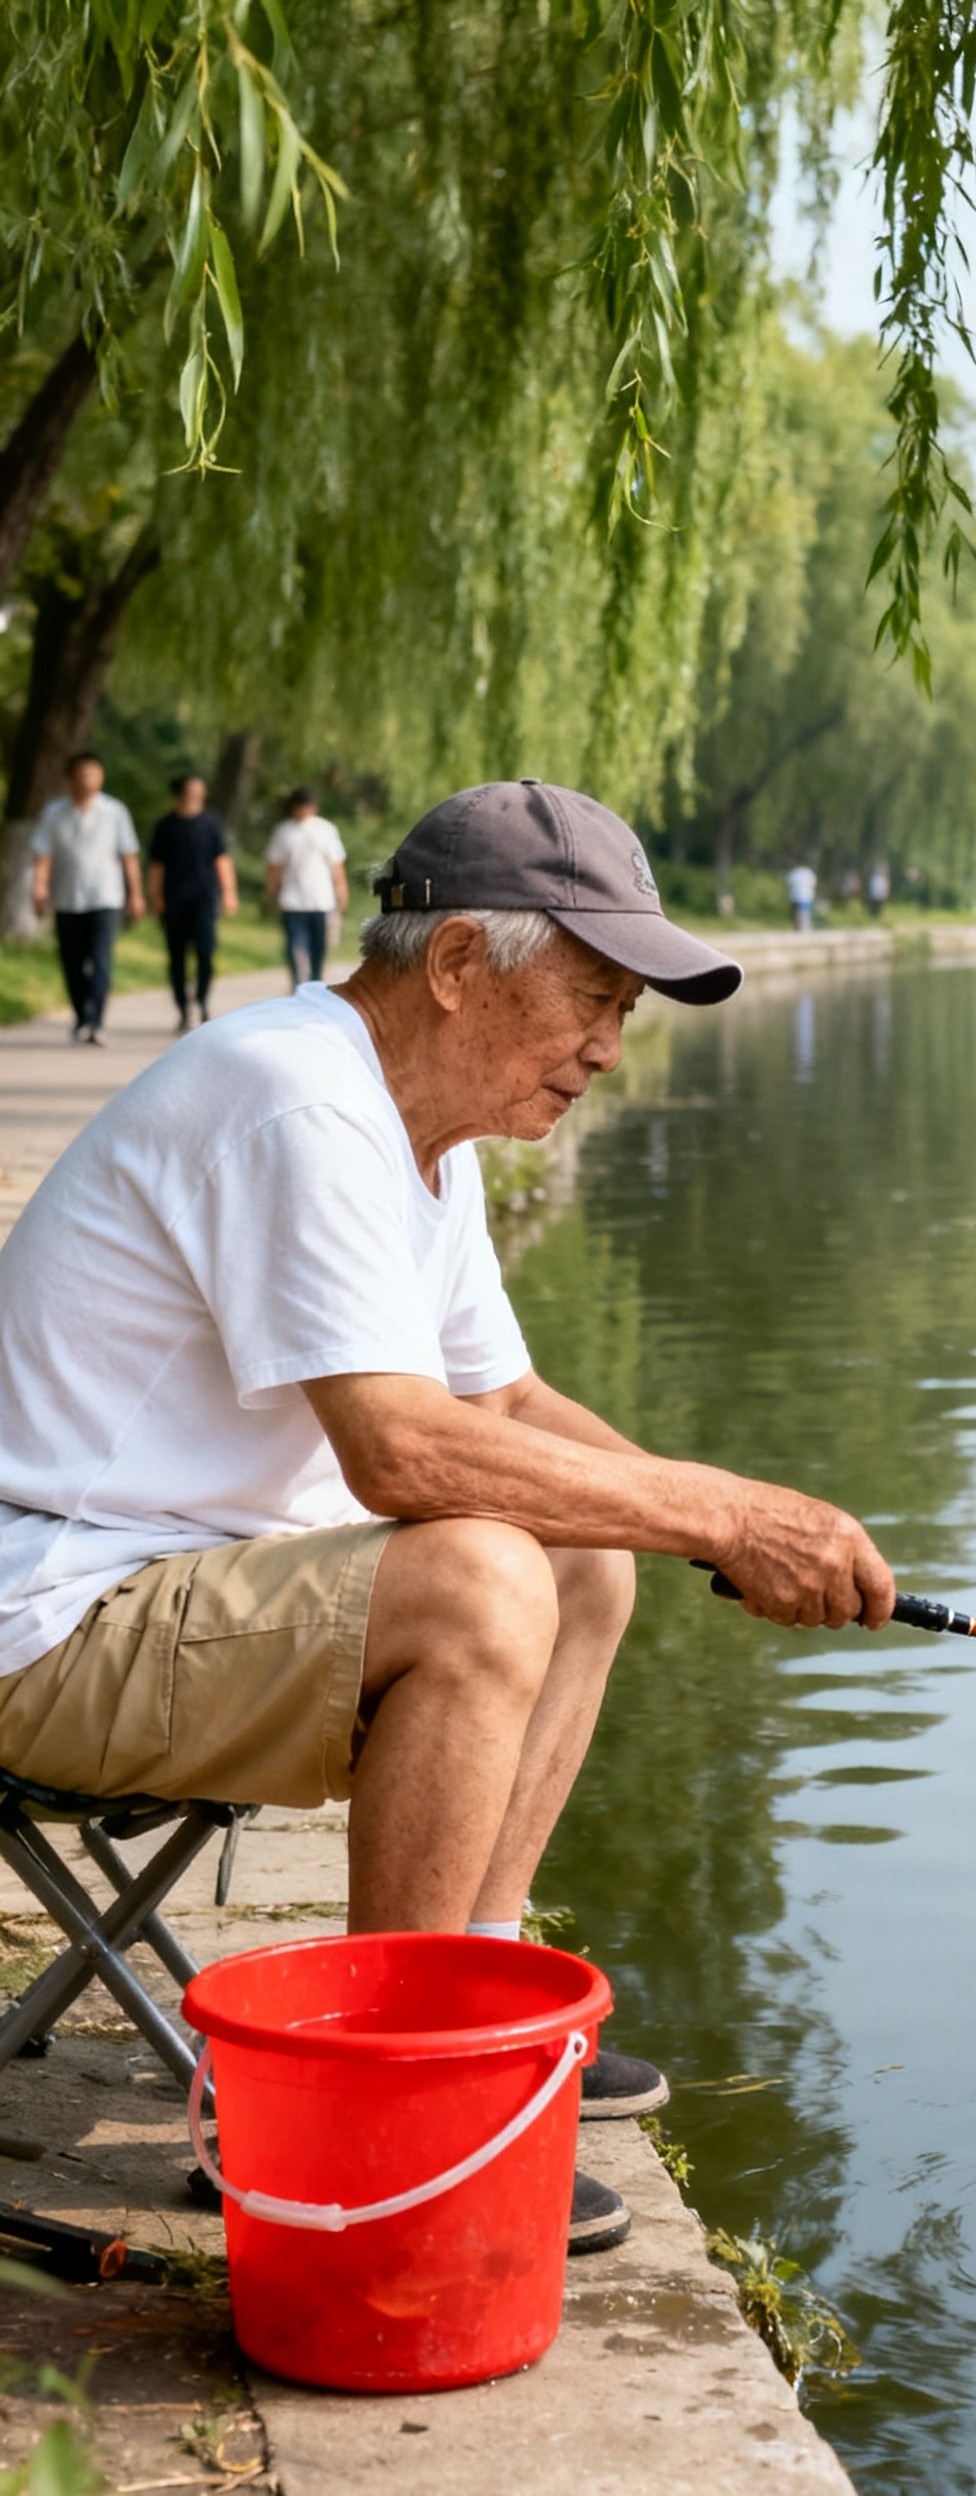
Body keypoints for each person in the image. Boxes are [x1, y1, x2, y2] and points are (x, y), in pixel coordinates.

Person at [0, 779, 894, 2255]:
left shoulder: (423, 1126)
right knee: (482, 1579)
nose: (609, 1047)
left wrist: (744, 1512)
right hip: (52, 1615)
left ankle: (475, 2002)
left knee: (583, 1554)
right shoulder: (297, 1097)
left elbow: (511, 1409)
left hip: (173, 1581)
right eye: (592, 999)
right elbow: (406, 1456)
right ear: (463, 966)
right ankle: (374, 2121)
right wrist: (721, 1515)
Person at [29, 753, 144, 1044]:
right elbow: (43, 854)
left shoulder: (115, 811)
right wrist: (39, 887)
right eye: (82, 774)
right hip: (67, 897)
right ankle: (81, 1016)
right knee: (72, 961)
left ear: (102, 777)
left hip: (106, 896)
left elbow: (128, 855)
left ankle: (96, 1022)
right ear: (69, 778)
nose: (88, 780)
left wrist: (136, 895)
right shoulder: (54, 812)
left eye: (94, 774)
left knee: (101, 959)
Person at [146, 773, 239, 1029]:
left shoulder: (210, 822)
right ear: (180, 792)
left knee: (205, 952)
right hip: (174, 901)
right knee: (176, 956)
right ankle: (183, 1008)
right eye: (193, 787)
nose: (199, 791)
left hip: (204, 900)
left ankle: (201, 1000)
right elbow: (157, 867)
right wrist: (155, 898)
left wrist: (229, 891)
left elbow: (221, 858)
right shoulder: (166, 826)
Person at [266, 786, 348, 988]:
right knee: (295, 946)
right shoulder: (284, 832)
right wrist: (272, 890)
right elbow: (275, 866)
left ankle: (315, 983)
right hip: (293, 900)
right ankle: (298, 984)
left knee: (318, 948)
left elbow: (336, 866)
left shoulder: (326, 830)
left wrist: (341, 890)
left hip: (320, 899)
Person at [785, 862, 817, 933]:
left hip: (796, 895)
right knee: (804, 912)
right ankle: (804, 927)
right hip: (806, 895)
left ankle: (798, 927)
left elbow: (789, 884)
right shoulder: (808, 872)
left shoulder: (794, 873)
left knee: (798, 912)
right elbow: (812, 884)